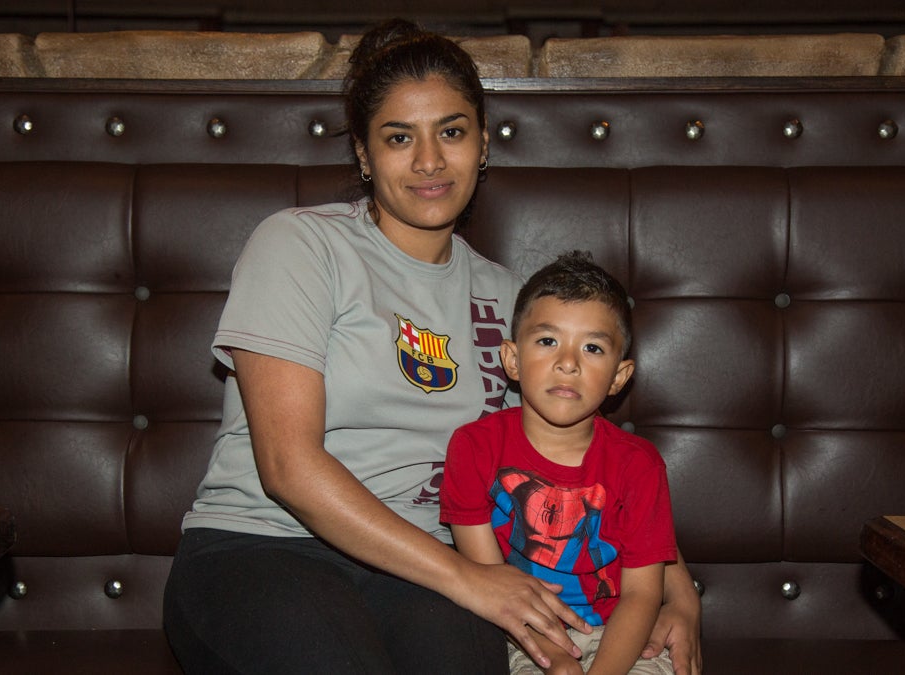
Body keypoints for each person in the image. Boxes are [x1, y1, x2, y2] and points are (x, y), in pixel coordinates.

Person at [162, 18, 701, 675]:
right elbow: (287, 466)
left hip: (423, 566)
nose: (428, 161)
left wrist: (679, 594)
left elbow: (589, 454)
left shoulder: (511, 299)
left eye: (451, 131)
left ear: (481, 146)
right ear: (363, 154)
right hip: (262, 546)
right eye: (398, 137)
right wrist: (467, 577)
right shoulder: (300, 245)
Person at [442, 251, 677, 675]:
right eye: (547, 341)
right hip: (521, 633)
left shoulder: (639, 465)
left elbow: (642, 596)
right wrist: (553, 660)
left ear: (619, 377)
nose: (568, 363)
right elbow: (489, 580)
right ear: (512, 359)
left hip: (619, 634)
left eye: (592, 348)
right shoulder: (473, 448)